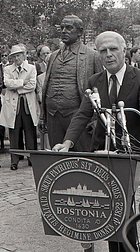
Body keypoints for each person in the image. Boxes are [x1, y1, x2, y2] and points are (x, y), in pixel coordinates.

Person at [52, 31, 140, 252]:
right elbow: (83, 113)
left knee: (123, 205)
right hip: (102, 153)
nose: (108, 55)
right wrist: (67, 142)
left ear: (124, 50)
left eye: (113, 49)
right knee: (108, 206)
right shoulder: (95, 81)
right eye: (103, 50)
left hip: (131, 154)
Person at [39, 14, 103, 151]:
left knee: (81, 160)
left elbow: (100, 90)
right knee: (57, 160)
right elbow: (46, 86)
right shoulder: (53, 56)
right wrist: (42, 116)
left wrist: (96, 119)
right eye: (62, 28)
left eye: (68, 28)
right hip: (53, 115)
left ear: (80, 32)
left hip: (78, 116)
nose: (63, 31)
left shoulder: (92, 56)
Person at [0, 43, 40, 170]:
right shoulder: (7, 69)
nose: (16, 59)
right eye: (14, 56)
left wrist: (17, 88)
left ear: (24, 55)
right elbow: (7, 83)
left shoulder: (31, 68)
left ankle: (32, 159)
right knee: (14, 133)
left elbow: (32, 85)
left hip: (27, 104)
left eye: (18, 56)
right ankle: (14, 161)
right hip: (13, 104)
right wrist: (22, 83)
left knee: (30, 133)